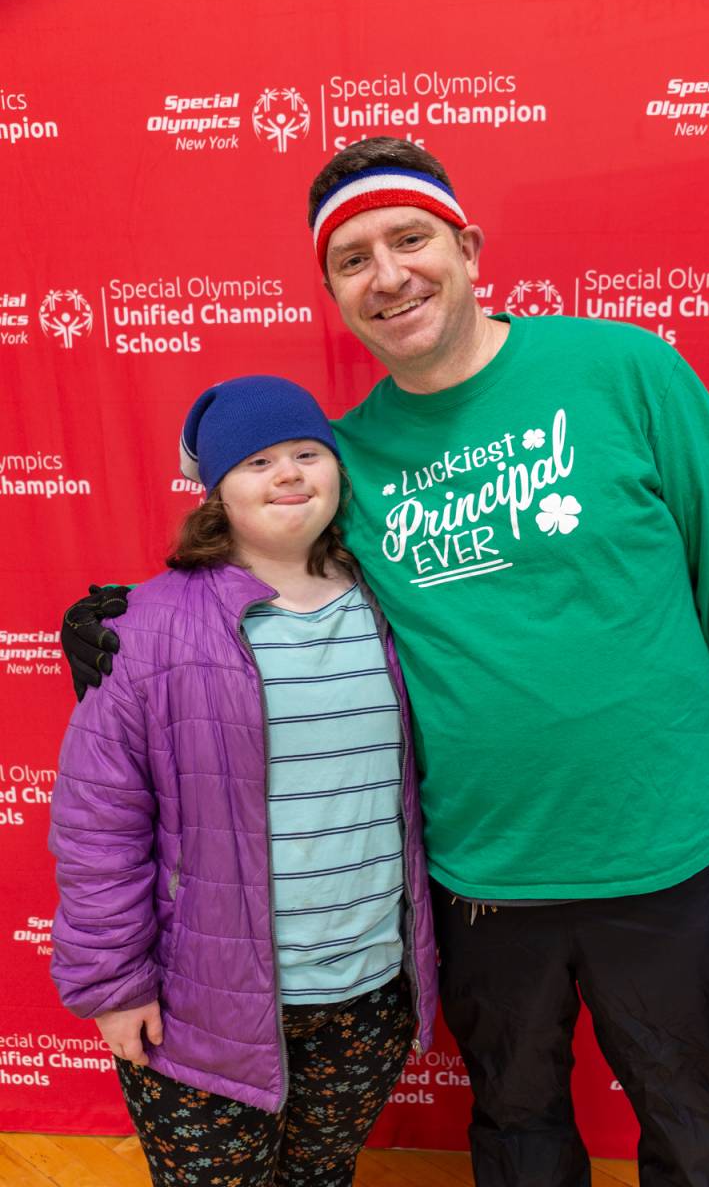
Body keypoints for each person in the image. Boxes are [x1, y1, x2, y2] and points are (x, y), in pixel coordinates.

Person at [62, 140, 709, 1187]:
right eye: (352, 258)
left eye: (408, 239)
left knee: (693, 1123)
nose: (388, 273)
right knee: (515, 1126)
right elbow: (258, 569)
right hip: (478, 873)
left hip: (665, 849)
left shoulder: (624, 369)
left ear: (466, 247)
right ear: (332, 293)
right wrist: (121, 621)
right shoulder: (344, 458)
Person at [51, 374, 437, 1187]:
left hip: (366, 994)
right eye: (258, 461)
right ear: (217, 493)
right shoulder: (144, 629)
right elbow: (100, 827)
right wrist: (114, 987)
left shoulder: (399, 606)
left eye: (306, 453)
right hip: (203, 1011)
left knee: (322, 1177)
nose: (289, 474)